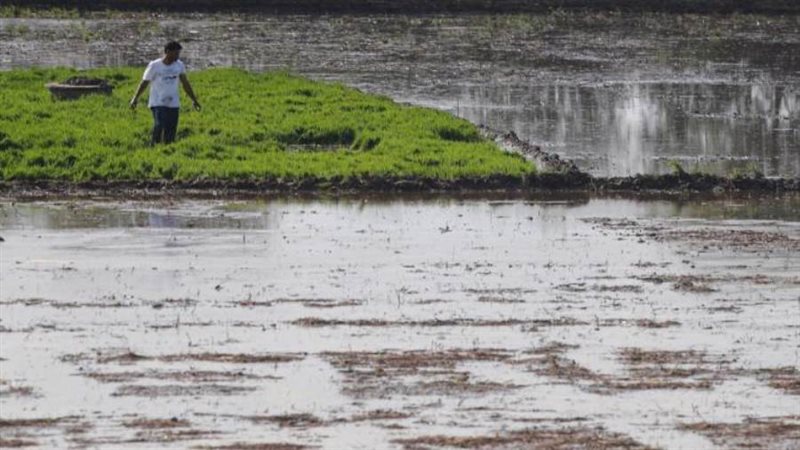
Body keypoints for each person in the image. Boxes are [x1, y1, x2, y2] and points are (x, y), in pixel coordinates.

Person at [130, 41, 201, 145]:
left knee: (171, 128)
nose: (178, 56)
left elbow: (185, 83)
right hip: (157, 102)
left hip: (173, 103)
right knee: (160, 124)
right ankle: (154, 145)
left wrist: (194, 100)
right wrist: (135, 98)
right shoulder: (154, 65)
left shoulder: (179, 65)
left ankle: (168, 148)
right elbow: (144, 82)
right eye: (176, 53)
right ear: (167, 52)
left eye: (179, 53)